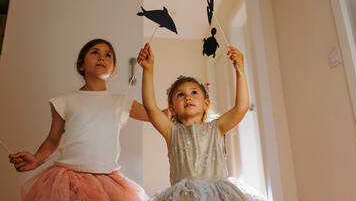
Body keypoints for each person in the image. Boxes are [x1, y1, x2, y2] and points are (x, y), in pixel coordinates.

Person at [9, 39, 150, 201]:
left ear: (113, 70)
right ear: (81, 65)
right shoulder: (64, 101)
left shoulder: (122, 102)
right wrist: (35, 159)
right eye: (95, 52)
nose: (102, 57)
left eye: (108, 54)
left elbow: (155, 115)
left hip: (107, 182)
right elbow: (52, 140)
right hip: (67, 180)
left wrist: (149, 71)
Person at [138, 43, 266, 201]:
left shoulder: (216, 127)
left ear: (206, 104)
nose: (187, 97)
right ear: (171, 109)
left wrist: (240, 71)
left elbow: (241, 108)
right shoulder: (171, 131)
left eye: (193, 92)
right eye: (180, 95)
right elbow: (150, 107)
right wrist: (148, 70)